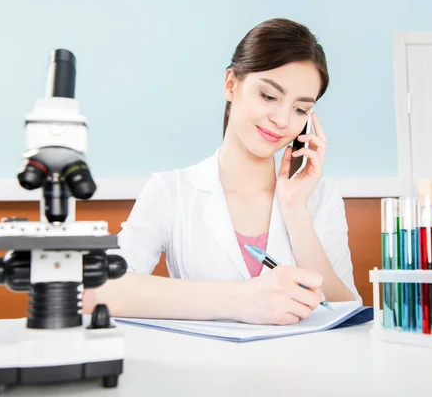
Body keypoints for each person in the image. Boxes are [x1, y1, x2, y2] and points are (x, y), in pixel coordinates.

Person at [83, 17, 361, 325]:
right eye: (269, 96)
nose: (282, 119)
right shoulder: (171, 191)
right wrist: (240, 300)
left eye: (300, 109)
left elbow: (346, 311)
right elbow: (100, 288)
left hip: (298, 370)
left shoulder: (320, 198)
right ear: (231, 84)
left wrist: (295, 209)